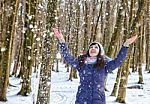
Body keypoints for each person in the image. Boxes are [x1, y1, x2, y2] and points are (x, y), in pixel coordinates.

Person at [53, 28, 137, 104]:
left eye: (96, 47)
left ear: (100, 52)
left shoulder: (104, 65)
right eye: (91, 47)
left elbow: (118, 61)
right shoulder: (81, 63)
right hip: (82, 99)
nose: (93, 48)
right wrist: (61, 40)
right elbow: (68, 57)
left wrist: (126, 45)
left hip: (98, 100)